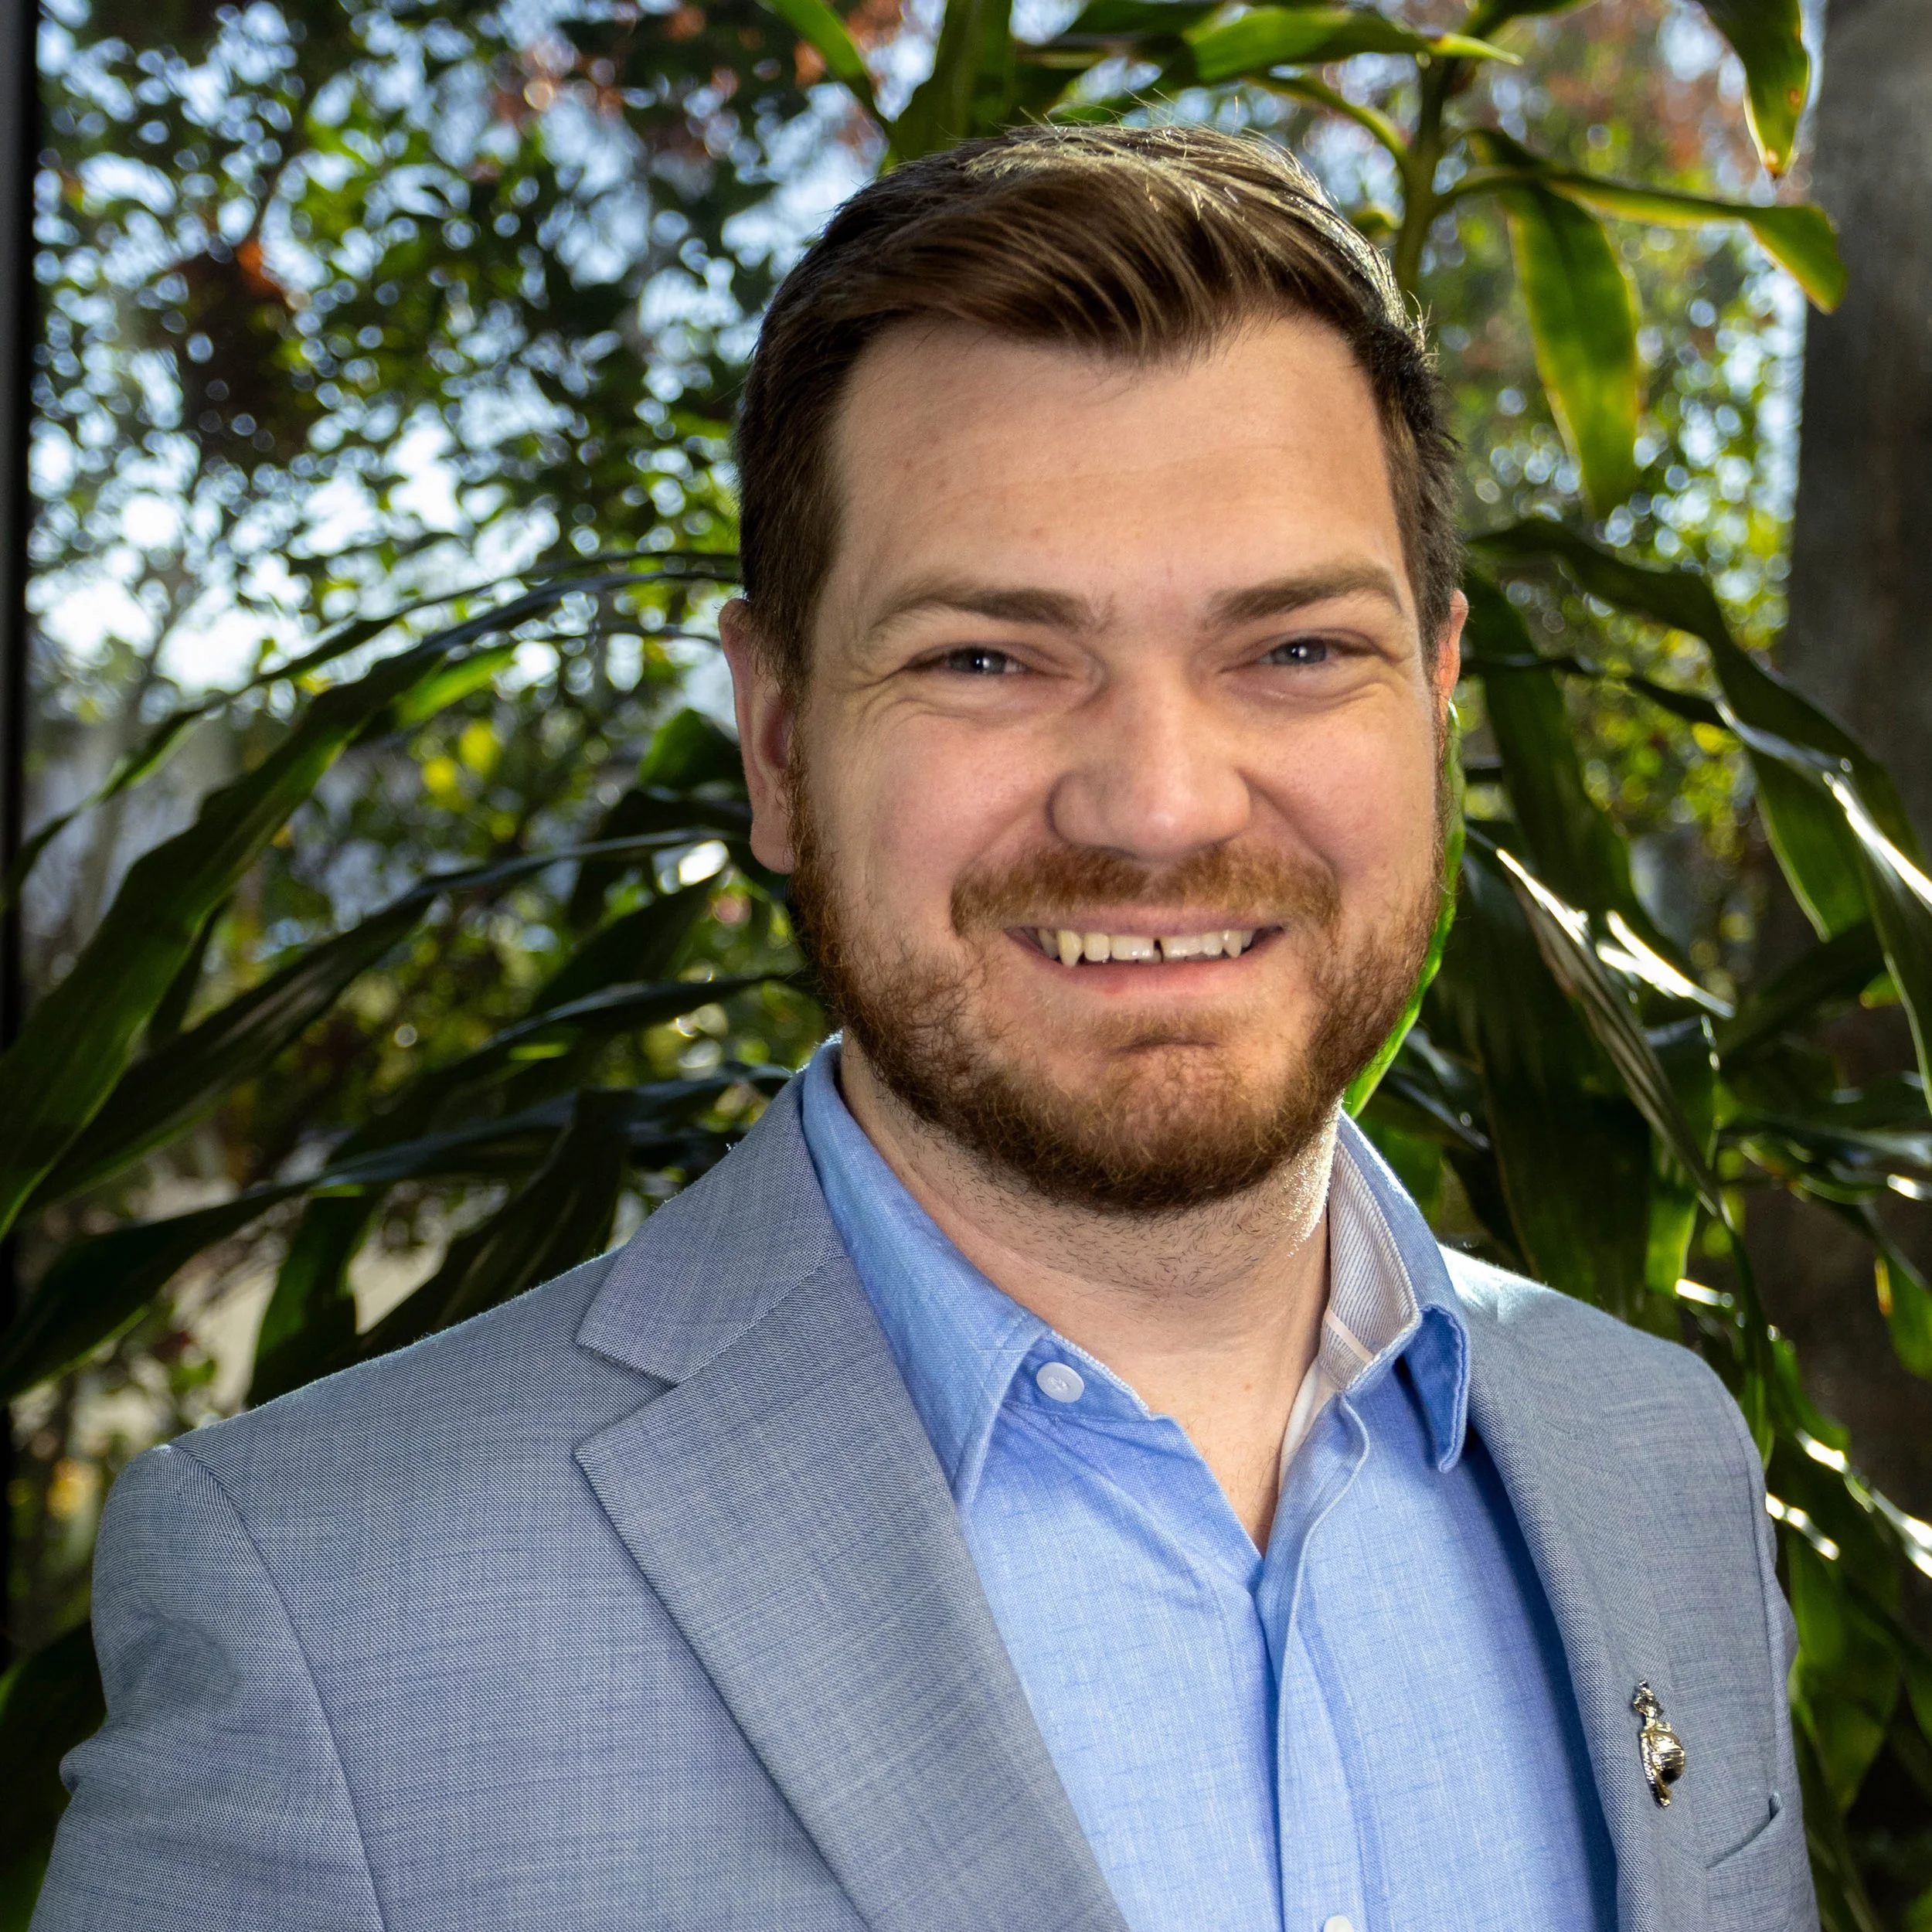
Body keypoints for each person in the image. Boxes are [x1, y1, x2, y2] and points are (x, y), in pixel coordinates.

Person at [34, 125, 1811, 1932]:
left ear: (1434, 696)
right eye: (986, 656)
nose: (1155, 804)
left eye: (1292, 651)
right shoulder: (325, 1606)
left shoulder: (1651, 1460)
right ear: (780, 739)